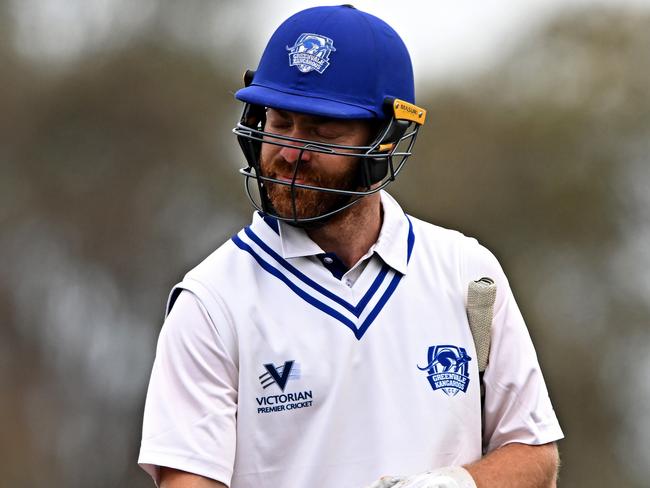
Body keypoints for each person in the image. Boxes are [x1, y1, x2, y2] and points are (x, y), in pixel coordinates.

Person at [138, 5, 563, 488]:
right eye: (280, 123)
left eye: (322, 131)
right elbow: (187, 481)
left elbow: (535, 458)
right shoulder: (212, 301)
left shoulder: (468, 274)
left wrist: (451, 485)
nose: (290, 153)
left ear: (385, 138)